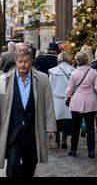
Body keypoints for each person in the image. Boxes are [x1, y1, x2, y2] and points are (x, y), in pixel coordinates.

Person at [0, 46, 56, 177]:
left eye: (26, 61)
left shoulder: (42, 79)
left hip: (33, 130)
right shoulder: (4, 81)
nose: (22, 65)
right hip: (13, 131)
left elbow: (48, 104)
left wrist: (51, 126)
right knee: (12, 166)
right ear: (15, 61)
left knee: (31, 164)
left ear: (31, 61)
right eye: (20, 61)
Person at [65, 52, 97, 158]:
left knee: (75, 127)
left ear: (77, 61)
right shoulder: (94, 72)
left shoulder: (74, 73)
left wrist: (66, 98)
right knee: (90, 128)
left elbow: (69, 89)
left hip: (76, 102)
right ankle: (91, 151)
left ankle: (73, 150)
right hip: (91, 101)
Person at [48, 51, 75, 149]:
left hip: (56, 98)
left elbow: (50, 86)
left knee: (57, 119)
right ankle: (64, 139)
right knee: (67, 119)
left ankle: (57, 138)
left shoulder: (53, 71)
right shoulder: (73, 70)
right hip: (68, 98)